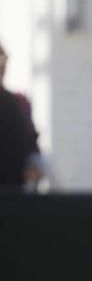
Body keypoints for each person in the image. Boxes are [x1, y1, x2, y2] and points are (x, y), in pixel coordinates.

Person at [0, 41, 43, 190]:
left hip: (15, 195)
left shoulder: (19, 103)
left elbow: (32, 148)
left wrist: (35, 168)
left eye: (2, 60)